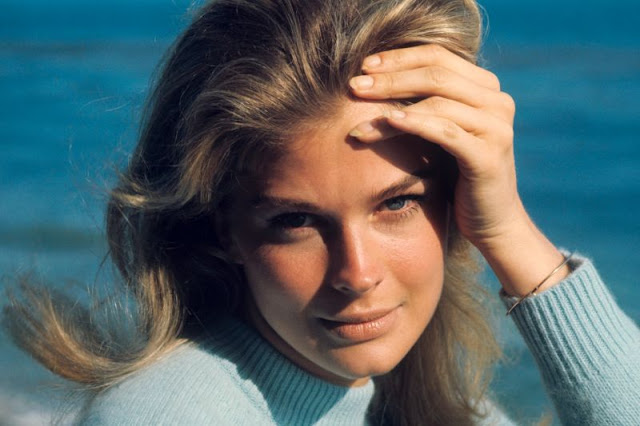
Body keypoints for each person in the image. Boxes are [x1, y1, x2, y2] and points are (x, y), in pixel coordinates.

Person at [4, 0, 639, 424]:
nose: (357, 274)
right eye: (296, 221)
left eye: (397, 203)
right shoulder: (174, 414)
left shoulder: (410, 403)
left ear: (453, 201)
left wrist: (508, 232)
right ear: (224, 229)